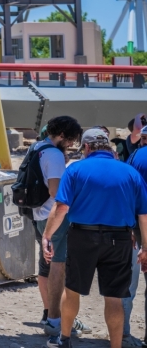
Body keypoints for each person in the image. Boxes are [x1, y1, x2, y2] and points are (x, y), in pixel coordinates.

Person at [43, 128, 147, 348]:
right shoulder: (130, 172)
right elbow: (143, 215)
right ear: (109, 147)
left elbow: (61, 207)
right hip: (119, 240)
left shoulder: (76, 169)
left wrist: (47, 235)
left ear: (87, 147)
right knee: (114, 297)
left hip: (83, 236)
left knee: (72, 292)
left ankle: (64, 340)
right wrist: (145, 246)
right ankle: (116, 346)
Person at [26, 115, 86, 338]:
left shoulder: (37, 147)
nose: (70, 144)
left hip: (38, 214)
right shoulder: (54, 155)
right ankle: (54, 320)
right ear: (61, 135)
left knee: (48, 264)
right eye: (70, 139)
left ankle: (54, 315)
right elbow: (55, 192)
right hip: (53, 216)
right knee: (59, 266)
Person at [124, 127, 147, 347]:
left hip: (130, 225)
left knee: (128, 284)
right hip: (144, 222)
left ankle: (123, 333)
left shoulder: (133, 156)